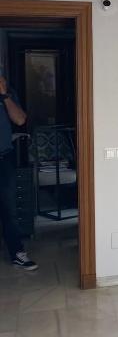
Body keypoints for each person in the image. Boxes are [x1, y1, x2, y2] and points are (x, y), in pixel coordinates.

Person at [0, 75, 37, 270]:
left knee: (9, 209)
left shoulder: (8, 94)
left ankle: (17, 253)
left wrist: (4, 95)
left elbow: (20, 119)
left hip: (3, 158)